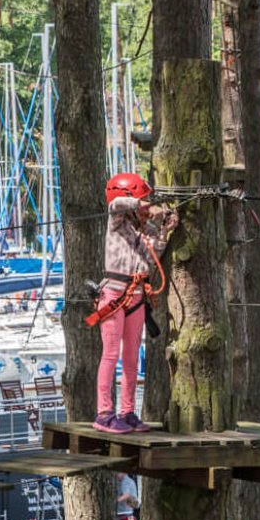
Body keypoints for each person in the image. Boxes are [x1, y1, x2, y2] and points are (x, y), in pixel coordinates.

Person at [91, 173, 177, 434]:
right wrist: (139, 206)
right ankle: (104, 413)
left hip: (137, 295)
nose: (146, 204)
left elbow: (152, 258)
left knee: (130, 358)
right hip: (114, 294)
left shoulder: (145, 230)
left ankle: (127, 411)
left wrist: (165, 230)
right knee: (110, 354)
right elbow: (116, 205)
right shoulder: (116, 222)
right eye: (143, 199)